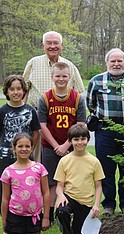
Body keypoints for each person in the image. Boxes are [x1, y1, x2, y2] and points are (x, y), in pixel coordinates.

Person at [86, 48, 124, 216]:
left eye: (120, 61)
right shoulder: (96, 81)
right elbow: (90, 104)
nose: (116, 64)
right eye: (113, 61)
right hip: (105, 132)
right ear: (107, 63)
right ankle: (109, 205)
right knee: (106, 169)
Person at [23, 30, 85, 163]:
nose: (52, 46)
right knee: (39, 159)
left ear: (61, 46)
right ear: (43, 45)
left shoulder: (69, 66)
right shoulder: (33, 63)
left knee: (69, 163)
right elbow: (24, 89)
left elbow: (79, 92)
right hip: (38, 119)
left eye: (56, 43)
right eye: (48, 43)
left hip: (64, 120)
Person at [38, 62, 86, 224]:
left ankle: (70, 211)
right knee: (52, 182)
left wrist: (66, 144)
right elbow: (42, 125)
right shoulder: (45, 98)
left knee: (73, 180)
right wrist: (55, 146)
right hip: (50, 146)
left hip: (72, 146)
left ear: (69, 77)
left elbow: (81, 124)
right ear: (52, 77)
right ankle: (50, 214)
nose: (61, 79)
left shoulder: (77, 97)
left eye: (64, 76)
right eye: (57, 76)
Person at [0, 75, 40, 221]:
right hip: (7, 157)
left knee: (28, 187)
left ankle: (28, 215)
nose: (15, 92)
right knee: (6, 189)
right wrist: (8, 148)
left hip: (27, 157)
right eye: (12, 89)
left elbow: (36, 132)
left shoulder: (31, 110)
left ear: (24, 90)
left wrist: (29, 149)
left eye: (19, 89)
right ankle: (6, 222)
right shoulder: (1, 112)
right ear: (6, 92)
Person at [55, 124, 105, 234]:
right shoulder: (64, 161)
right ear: (70, 141)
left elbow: (98, 186)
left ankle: (70, 227)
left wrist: (96, 205)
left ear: (88, 140)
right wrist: (61, 196)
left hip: (85, 203)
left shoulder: (94, 161)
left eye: (83, 139)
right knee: (62, 211)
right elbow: (59, 186)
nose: (80, 142)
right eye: (76, 139)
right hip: (69, 198)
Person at [0, 133, 50, 234]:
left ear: (32, 148)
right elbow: (5, 199)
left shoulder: (39, 168)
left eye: (27, 146)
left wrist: (46, 217)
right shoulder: (8, 172)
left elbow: (46, 193)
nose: (24, 149)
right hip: (15, 216)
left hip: (34, 216)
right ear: (14, 148)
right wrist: (4, 221)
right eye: (20, 146)